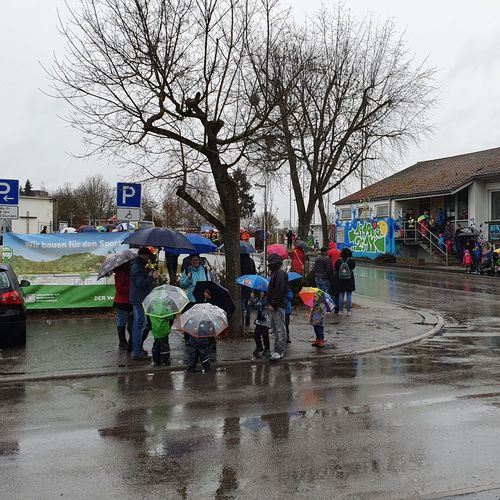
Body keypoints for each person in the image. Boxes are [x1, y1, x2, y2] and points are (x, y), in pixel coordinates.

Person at [129, 247, 159, 360]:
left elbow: (141, 280)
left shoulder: (139, 266)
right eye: (148, 256)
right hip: (139, 300)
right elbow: (140, 283)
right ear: (144, 255)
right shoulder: (137, 266)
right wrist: (152, 277)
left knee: (140, 324)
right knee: (139, 325)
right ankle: (137, 352)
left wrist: (149, 274)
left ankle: (138, 349)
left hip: (140, 299)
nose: (149, 259)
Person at [267, 253, 289, 361]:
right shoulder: (278, 271)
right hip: (277, 304)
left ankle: (279, 351)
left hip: (278, 304)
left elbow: (279, 290)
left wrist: (273, 303)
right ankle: (277, 350)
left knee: (279, 328)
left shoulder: (279, 272)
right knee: (276, 328)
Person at [113, 262, 133, 351]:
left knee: (129, 321)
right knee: (122, 321)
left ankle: (127, 341)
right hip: (121, 301)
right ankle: (122, 341)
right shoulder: (120, 274)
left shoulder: (127, 272)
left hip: (128, 301)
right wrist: (131, 288)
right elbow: (119, 288)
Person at [334, 247, 356, 316]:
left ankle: (340, 311)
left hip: (340, 280)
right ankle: (349, 311)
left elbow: (336, 268)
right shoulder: (351, 260)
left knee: (341, 295)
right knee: (349, 295)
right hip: (349, 280)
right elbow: (353, 267)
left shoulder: (339, 260)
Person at [250, 291, 271, 358]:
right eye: (260, 291)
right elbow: (255, 308)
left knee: (265, 335)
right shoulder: (258, 299)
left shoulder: (267, 299)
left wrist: (253, 300)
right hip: (259, 320)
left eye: (262, 292)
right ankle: (259, 347)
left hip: (265, 319)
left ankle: (267, 349)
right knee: (256, 335)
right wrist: (251, 302)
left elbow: (261, 304)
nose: (261, 293)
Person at [240, 253, 256, 327]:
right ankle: (248, 320)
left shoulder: (239, 260)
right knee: (249, 302)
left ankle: (242, 318)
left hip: (241, 283)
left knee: (242, 301)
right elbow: (254, 273)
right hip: (249, 283)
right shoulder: (251, 261)